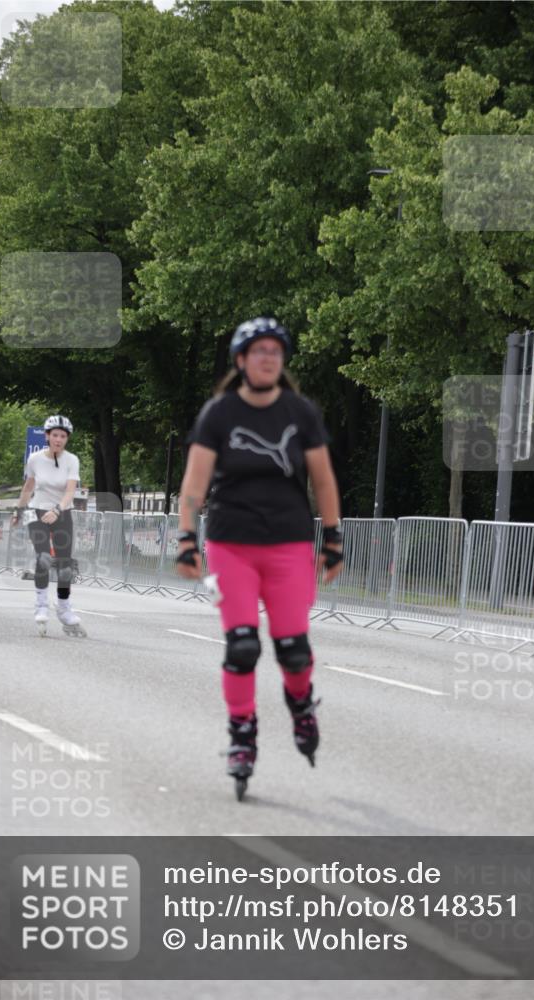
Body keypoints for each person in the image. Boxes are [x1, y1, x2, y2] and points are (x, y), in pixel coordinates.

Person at [177, 317, 343, 799]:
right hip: (231, 544)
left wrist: (332, 538)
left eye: (276, 350)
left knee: (293, 650)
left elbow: (325, 480)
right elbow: (194, 483)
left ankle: (300, 704)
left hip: (290, 544)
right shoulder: (219, 414)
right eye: (259, 350)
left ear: (282, 360)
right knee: (243, 646)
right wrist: (187, 537)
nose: (268, 357)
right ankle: (242, 734)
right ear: (241, 360)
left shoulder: (300, 412)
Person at [11, 415, 85, 636]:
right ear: (47, 436)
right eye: (55, 435)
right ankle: (41, 605)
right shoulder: (34, 459)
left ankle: (64, 608)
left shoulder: (72, 460)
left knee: (64, 566)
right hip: (36, 511)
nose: (59, 439)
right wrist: (18, 510)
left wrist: (58, 510)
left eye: (63, 436)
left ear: (67, 439)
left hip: (61, 512)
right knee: (43, 558)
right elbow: (28, 488)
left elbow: (70, 491)